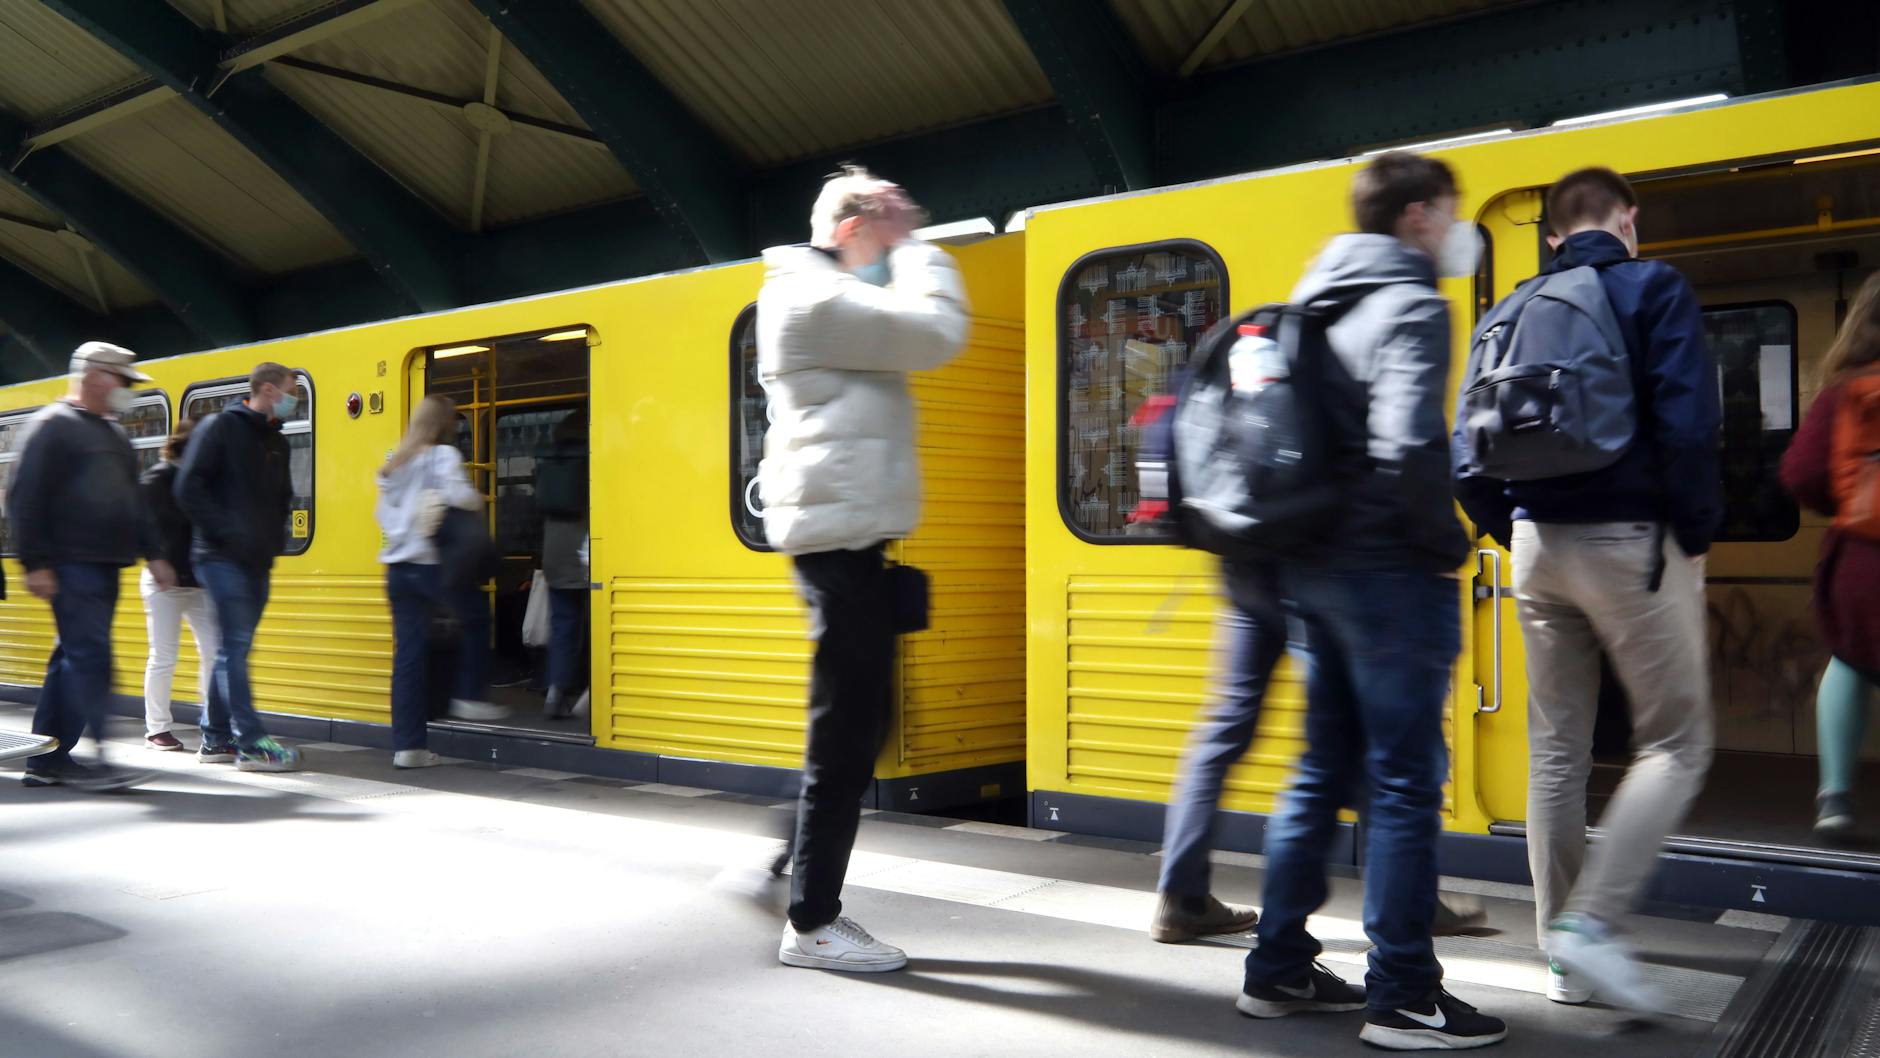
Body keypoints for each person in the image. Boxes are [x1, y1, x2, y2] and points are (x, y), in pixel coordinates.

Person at [1239, 152, 1506, 1051]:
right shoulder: (1413, 305)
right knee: (1402, 783)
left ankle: (1276, 967)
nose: (1457, 230)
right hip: (1388, 575)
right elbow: (1405, 448)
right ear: (1420, 217)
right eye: (1452, 213)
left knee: (1319, 770)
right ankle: (1403, 995)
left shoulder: (1310, 302)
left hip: (1309, 570)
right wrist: (1449, 543)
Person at [1455, 167, 1720, 1012]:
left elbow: (1463, 455)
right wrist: (1692, 532)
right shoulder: (1653, 287)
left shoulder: (1511, 307)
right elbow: (1688, 426)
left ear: (1553, 235)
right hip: (1631, 543)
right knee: (1677, 745)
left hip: (1535, 548)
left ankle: (1561, 954)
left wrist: (1514, 526)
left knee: (1557, 750)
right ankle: (1592, 925)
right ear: (1628, 219)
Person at [756, 166, 968, 972]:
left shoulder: (826, 299)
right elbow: (939, 333)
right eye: (882, 233)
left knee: (859, 728)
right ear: (851, 229)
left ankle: (797, 882)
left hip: (852, 546)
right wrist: (916, 246)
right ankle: (811, 923)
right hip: (837, 550)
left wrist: (896, 237)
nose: (892, 247)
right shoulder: (813, 298)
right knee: (843, 736)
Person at [12, 342, 174, 789]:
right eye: (123, 381)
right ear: (97, 376)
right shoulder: (52, 426)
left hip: (105, 564)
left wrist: (155, 553)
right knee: (91, 658)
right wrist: (36, 562)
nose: (127, 391)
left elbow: (134, 503)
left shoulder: (113, 433)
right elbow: (25, 498)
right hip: (70, 563)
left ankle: (46, 760)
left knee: (70, 660)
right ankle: (103, 759)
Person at [1779, 272, 1880, 838]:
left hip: (1862, 562)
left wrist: (1844, 498)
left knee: (1850, 661)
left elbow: (1800, 474)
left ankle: (1836, 795)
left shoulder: (1842, 393)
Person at [174, 362, 305, 773]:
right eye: (289, 390)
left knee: (235, 648)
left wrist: (273, 541)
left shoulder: (277, 442)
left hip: (257, 560)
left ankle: (214, 739)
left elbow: (282, 497)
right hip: (219, 557)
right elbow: (188, 486)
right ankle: (250, 743)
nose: (293, 399)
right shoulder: (219, 429)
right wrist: (228, 533)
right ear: (267, 390)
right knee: (235, 646)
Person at [376, 394, 507, 768]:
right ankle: (468, 694)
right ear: (443, 423)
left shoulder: (392, 463)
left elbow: (382, 515)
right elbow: (459, 497)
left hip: (397, 569)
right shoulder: (442, 456)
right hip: (432, 566)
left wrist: (406, 528)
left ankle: (409, 748)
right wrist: (477, 500)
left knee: (408, 658)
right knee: (477, 619)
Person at [139, 419, 220, 752]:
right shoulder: (158, 478)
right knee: (164, 656)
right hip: (164, 583)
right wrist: (155, 559)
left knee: (215, 654)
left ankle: (214, 723)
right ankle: (157, 728)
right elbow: (140, 524)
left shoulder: (201, 481)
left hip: (199, 582)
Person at [537, 412, 589, 719]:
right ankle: (590, 695)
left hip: (553, 552)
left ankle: (555, 690)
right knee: (595, 626)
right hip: (585, 550)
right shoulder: (592, 457)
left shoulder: (549, 462)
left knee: (563, 625)